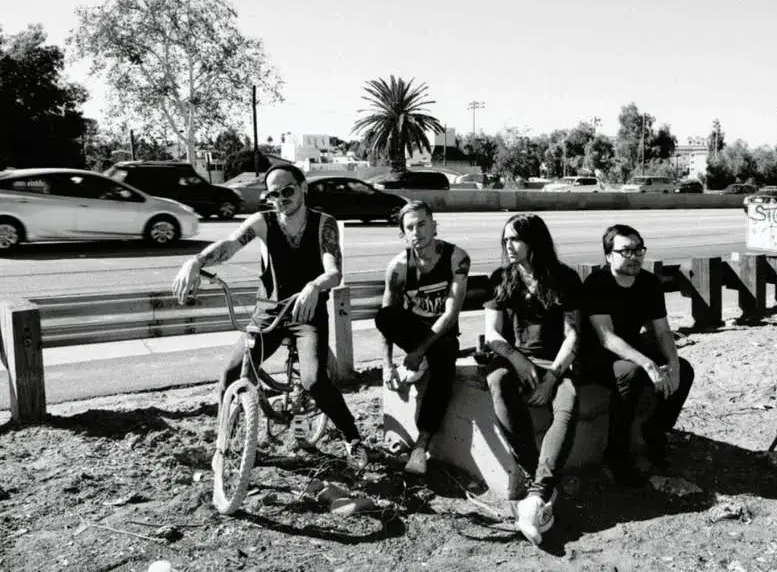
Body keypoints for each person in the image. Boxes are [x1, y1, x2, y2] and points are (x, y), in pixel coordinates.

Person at [172, 163, 368, 470]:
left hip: (307, 313)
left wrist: (315, 285)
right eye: (273, 194)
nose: (280, 198)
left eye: (287, 190)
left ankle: (352, 437)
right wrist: (196, 261)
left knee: (315, 379)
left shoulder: (323, 224)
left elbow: (334, 271)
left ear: (303, 188)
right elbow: (230, 244)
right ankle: (225, 441)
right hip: (268, 313)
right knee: (232, 372)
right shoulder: (263, 221)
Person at [482, 213, 582, 546]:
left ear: (534, 241)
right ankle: (538, 479)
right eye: (505, 239)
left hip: (555, 362)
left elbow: (573, 335)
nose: (508, 245)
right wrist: (517, 360)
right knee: (497, 381)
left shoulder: (564, 278)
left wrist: (552, 377)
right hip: (515, 359)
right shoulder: (501, 278)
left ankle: (539, 491)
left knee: (568, 402)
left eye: (515, 239)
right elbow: (491, 333)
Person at [582, 224, 695, 485]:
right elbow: (605, 337)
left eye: (638, 250)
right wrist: (647, 364)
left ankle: (656, 430)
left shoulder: (649, 282)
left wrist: (673, 364)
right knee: (632, 375)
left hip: (629, 350)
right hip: (595, 356)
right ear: (609, 255)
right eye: (626, 251)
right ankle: (616, 455)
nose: (634, 256)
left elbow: (662, 331)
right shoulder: (597, 283)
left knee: (685, 369)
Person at [375, 200, 471, 475]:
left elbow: (451, 314)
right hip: (415, 333)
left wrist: (419, 353)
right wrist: (387, 365)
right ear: (403, 234)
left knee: (444, 359)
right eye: (410, 228)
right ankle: (425, 358)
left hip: (442, 334)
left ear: (434, 225)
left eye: (422, 224)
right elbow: (386, 316)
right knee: (384, 316)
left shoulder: (456, 258)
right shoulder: (398, 267)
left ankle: (422, 444)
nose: (416, 232)